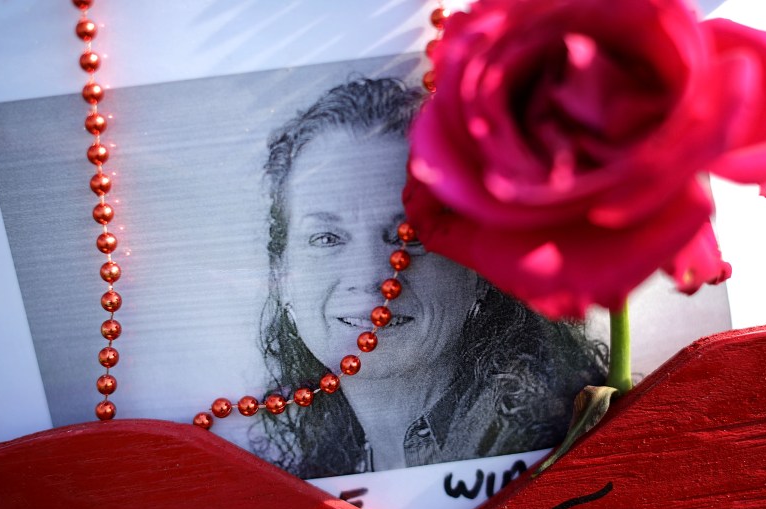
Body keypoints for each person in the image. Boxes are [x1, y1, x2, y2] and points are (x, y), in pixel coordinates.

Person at [247, 77, 607, 478]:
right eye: (326, 238)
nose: (369, 277)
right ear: (282, 278)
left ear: (480, 267)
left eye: (410, 236)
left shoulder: (550, 444)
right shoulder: (316, 471)